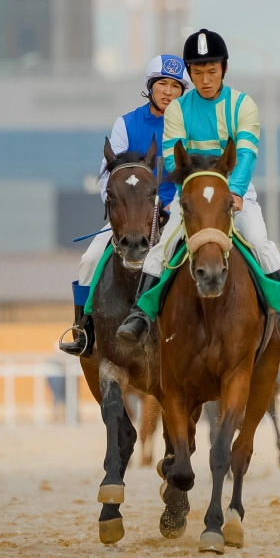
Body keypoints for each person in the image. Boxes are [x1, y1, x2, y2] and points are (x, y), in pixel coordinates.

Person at [114, 29, 280, 343]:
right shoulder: (178, 109)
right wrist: (185, 199)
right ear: (190, 73)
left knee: (259, 241)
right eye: (198, 72)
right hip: (191, 196)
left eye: (212, 71)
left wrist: (236, 192)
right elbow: (174, 157)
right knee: (162, 248)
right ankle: (140, 314)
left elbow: (245, 153)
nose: (205, 80)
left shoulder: (243, 105)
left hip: (234, 193)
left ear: (225, 69)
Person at [60, 54, 189, 356]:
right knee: (90, 259)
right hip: (131, 215)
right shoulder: (126, 124)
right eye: (162, 84)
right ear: (150, 86)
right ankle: (84, 330)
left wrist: (173, 206)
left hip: (177, 213)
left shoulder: (190, 127)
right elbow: (109, 177)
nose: (168, 91)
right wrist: (127, 212)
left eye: (175, 86)